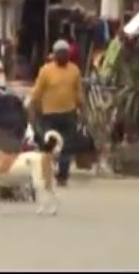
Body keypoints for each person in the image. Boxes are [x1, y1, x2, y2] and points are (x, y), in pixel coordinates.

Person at [28, 39, 85, 187]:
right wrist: (33, 111)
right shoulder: (46, 70)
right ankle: (47, 174)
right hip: (49, 115)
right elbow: (37, 92)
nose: (63, 56)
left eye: (65, 53)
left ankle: (63, 176)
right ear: (54, 55)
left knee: (66, 146)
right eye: (60, 53)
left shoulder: (74, 71)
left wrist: (83, 111)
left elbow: (79, 93)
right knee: (49, 146)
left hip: (69, 114)